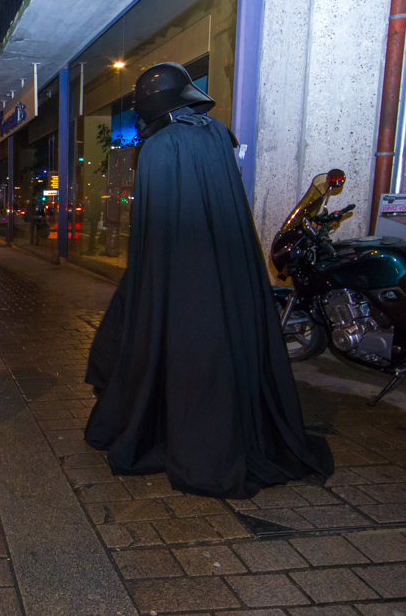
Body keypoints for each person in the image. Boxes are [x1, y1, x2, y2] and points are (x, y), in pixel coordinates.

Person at [83, 62, 333, 499]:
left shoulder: (159, 148)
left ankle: (175, 437)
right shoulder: (217, 134)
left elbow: (154, 231)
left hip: (177, 275)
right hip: (225, 268)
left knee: (148, 346)